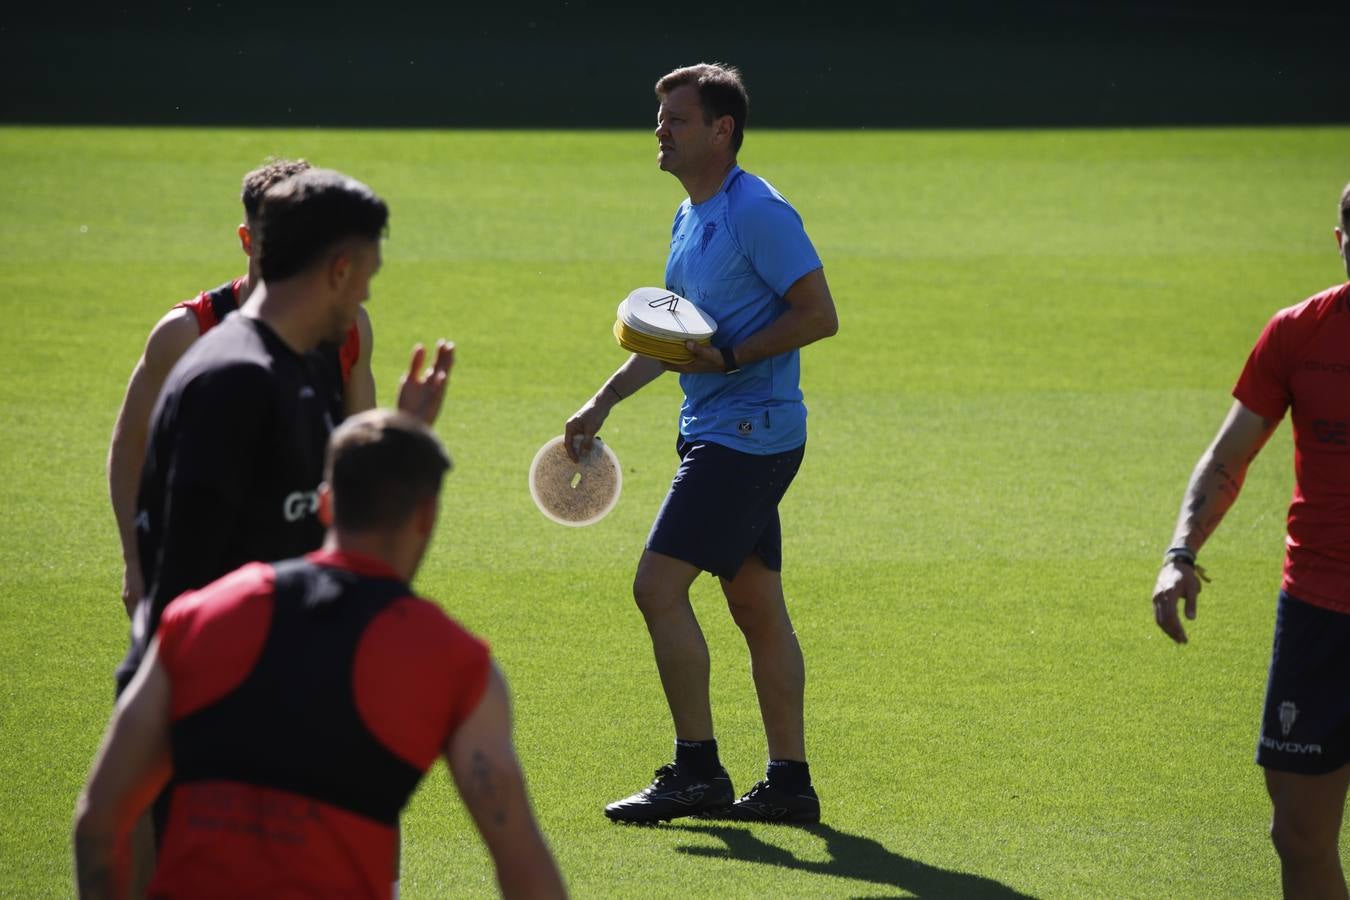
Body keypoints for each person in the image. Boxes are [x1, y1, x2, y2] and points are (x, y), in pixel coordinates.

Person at [75, 409, 567, 899]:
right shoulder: (454, 663)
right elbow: (521, 863)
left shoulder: (200, 615)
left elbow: (100, 821)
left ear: (326, 504)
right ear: (426, 516)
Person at [565, 63, 839, 824]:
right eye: (660, 117)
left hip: (747, 437)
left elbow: (818, 314)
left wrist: (735, 357)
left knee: (656, 587)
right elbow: (677, 335)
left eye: (676, 119)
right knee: (754, 605)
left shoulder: (758, 212)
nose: (660, 129)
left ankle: (697, 772)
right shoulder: (692, 216)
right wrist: (603, 401)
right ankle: (790, 784)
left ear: (722, 131)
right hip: (721, 433)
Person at [1152, 182, 1350, 898]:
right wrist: (1180, 555)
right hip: (1319, 612)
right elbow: (1229, 456)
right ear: (1339, 242)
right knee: (1297, 835)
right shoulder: (1299, 332)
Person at [107, 158, 379, 618]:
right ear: (248, 240)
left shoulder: (347, 329)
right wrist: (135, 562)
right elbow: (131, 449)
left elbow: (355, 456)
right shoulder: (186, 334)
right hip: (205, 578)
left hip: (303, 572)